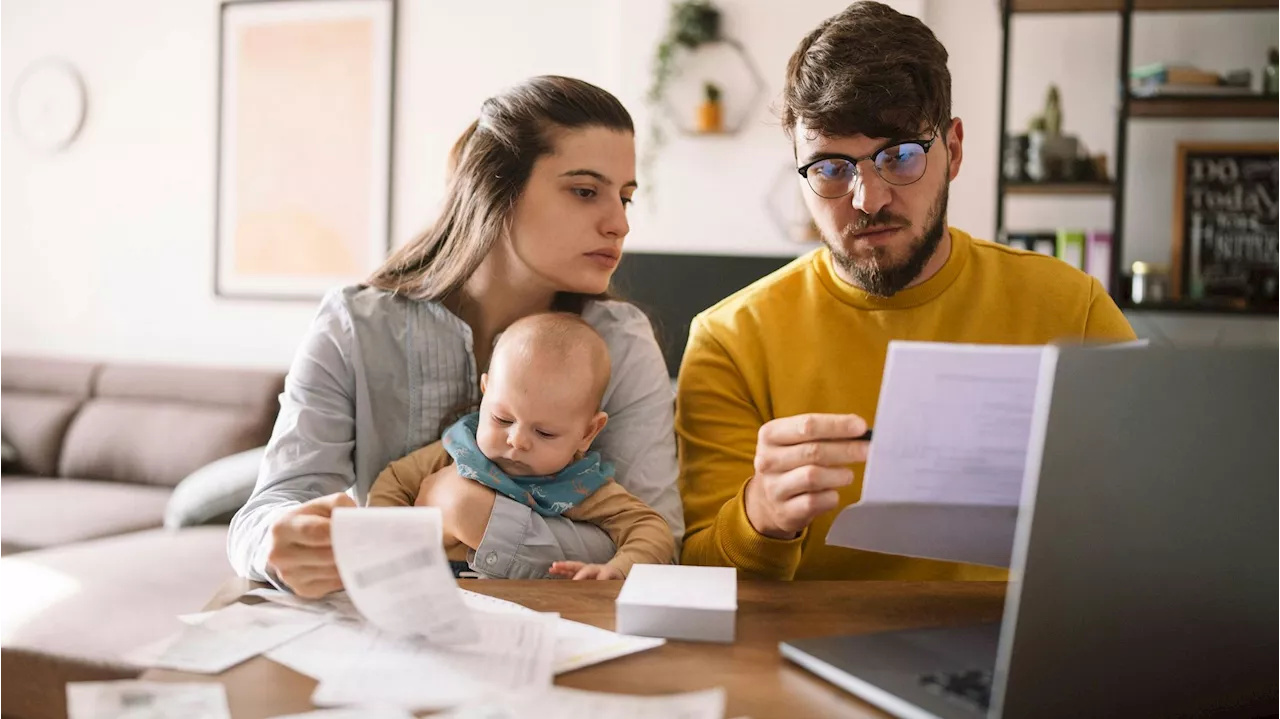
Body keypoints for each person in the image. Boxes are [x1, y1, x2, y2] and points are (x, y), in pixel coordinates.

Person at [675, 1, 1136, 581]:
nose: (868, 199)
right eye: (831, 168)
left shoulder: (1074, 309)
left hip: (1017, 651)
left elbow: (1154, 518)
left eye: (900, 156)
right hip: (804, 658)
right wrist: (760, 516)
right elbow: (696, 578)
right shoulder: (729, 341)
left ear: (956, 151)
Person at [228, 76, 683, 598]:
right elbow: (263, 515)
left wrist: (472, 514)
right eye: (585, 192)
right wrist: (279, 543)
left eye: (625, 197)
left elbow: (659, 542)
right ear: (495, 190)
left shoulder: (621, 343)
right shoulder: (354, 326)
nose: (619, 224)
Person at [365, 312, 675, 580]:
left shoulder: (580, 485)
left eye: (545, 433)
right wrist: (387, 549)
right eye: (502, 419)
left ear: (588, 432)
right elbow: (392, 482)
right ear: (485, 393)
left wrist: (619, 569)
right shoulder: (458, 450)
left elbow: (652, 529)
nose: (517, 440)